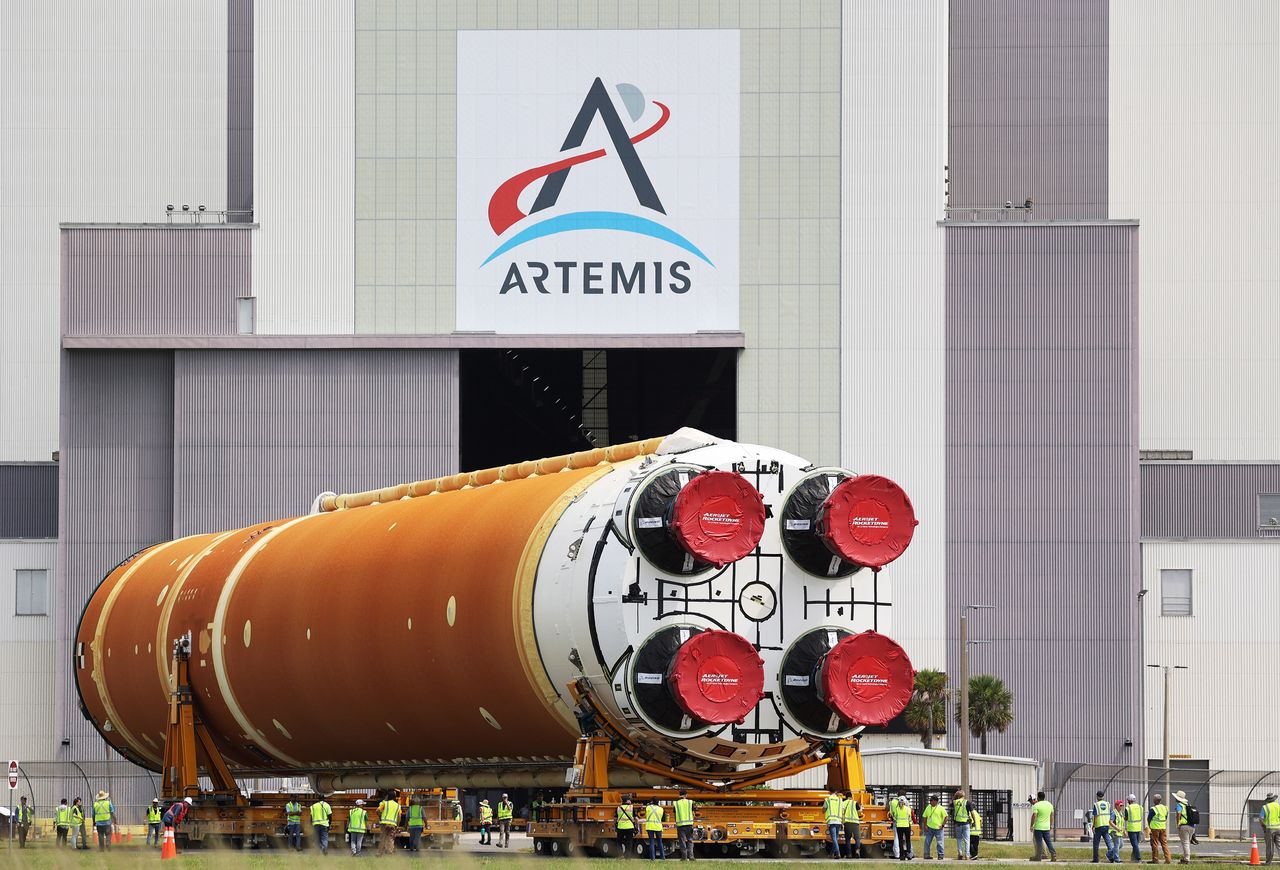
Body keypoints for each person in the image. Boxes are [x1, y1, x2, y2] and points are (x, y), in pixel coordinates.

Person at [1090, 790, 1118, 863]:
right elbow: (1112, 813)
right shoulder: (1107, 804)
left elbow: (1095, 816)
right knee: (1108, 842)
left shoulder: (1096, 805)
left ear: (1097, 796)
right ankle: (1111, 857)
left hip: (1099, 826)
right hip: (1106, 825)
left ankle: (1096, 859)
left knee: (1096, 843)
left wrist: (1093, 825)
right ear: (1103, 796)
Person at [1030, 791, 1058, 862]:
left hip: (1038, 827)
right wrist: (1050, 825)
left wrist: (1031, 825)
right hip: (1046, 827)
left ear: (1038, 797)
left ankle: (1038, 857)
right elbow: (1051, 816)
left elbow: (1034, 816)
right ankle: (1053, 855)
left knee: (1039, 842)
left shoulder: (1037, 805)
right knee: (1048, 842)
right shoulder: (1049, 804)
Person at [1147, 793, 1171, 864]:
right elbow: (1166, 817)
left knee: (1155, 844)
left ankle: (1155, 859)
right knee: (1164, 843)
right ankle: (1168, 859)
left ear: (1155, 800)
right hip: (1163, 827)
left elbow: (1149, 818)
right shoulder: (1165, 808)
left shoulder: (1153, 809)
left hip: (1155, 828)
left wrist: (1150, 826)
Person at [922, 794, 947, 860]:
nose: (930, 802)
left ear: (935, 801)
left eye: (931, 801)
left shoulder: (941, 808)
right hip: (930, 828)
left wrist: (943, 825)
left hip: (938, 828)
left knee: (940, 842)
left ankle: (940, 855)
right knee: (927, 842)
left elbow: (946, 817)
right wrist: (925, 825)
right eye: (930, 800)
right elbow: (924, 816)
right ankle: (926, 855)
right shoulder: (928, 807)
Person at [673, 788, 696, 860]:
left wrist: (677, 822)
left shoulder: (676, 803)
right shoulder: (690, 802)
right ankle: (691, 857)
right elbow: (693, 813)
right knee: (690, 840)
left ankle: (684, 857)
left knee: (682, 841)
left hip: (680, 826)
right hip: (689, 825)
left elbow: (675, 814)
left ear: (679, 795)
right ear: (686, 795)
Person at [1171, 791, 1193, 864]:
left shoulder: (1179, 805)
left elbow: (1178, 814)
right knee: (1187, 843)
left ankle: (1186, 859)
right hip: (1192, 826)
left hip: (1183, 826)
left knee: (1185, 843)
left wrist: (1178, 824)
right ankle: (1186, 857)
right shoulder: (1188, 804)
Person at [1259, 792, 1280, 865]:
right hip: (1278, 828)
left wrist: (1264, 828)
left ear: (1268, 800)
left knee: (1270, 847)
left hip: (1269, 829)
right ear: (1274, 799)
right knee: (1279, 845)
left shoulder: (1265, 807)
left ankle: (1268, 862)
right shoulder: (1278, 806)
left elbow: (1261, 819)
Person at [892, 793, 914, 861]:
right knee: (908, 841)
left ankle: (902, 855)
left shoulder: (897, 809)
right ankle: (909, 854)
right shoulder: (908, 809)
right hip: (907, 826)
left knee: (900, 841)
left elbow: (895, 817)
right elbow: (910, 817)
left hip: (899, 826)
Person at [1124, 795, 1146, 863]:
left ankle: (1138, 858)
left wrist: (1122, 818)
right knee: (1136, 844)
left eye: (1128, 801)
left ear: (1129, 801)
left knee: (1134, 844)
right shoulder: (1140, 807)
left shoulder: (1128, 808)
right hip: (1138, 827)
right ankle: (1133, 858)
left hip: (1131, 828)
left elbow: (1126, 818)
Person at [825, 788, 845, 858]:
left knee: (834, 838)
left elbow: (824, 808)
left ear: (829, 792)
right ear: (836, 792)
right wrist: (842, 822)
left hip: (831, 821)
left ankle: (838, 853)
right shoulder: (840, 800)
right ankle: (831, 854)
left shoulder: (828, 799)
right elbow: (843, 810)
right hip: (838, 821)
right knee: (835, 838)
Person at [842, 790, 862, 859]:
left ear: (846, 797)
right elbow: (859, 811)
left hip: (847, 823)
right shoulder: (855, 803)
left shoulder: (843, 803)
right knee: (857, 838)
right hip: (855, 823)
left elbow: (842, 812)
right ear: (851, 797)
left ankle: (849, 854)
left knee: (847, 839)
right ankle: (857, 851)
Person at [952, 790, 971, 860]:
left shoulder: (955, 802)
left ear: (957, 796)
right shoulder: (967, 802)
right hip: (966, 823)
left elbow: (951, 803)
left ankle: (960, 853)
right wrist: (974, 821)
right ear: (964, 795)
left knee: (959, 839)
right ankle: (967, 855)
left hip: (958, 824)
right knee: (967, 840)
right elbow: (972, 812)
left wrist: (955, 796)